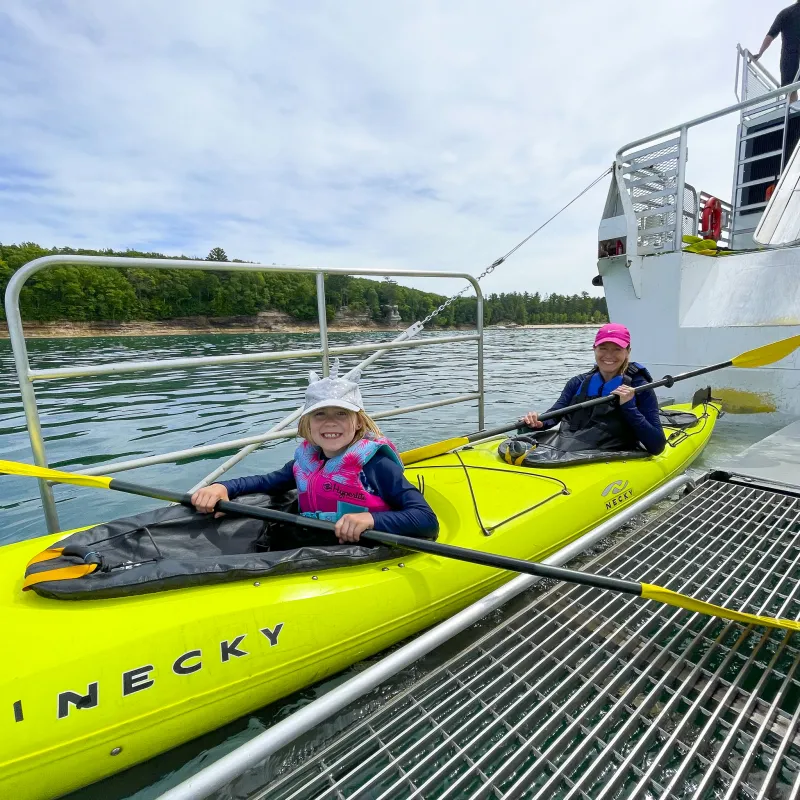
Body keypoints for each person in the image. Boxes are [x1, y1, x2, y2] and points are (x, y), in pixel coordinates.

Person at [191, 360, 439, 545]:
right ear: (307, 424)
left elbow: (426, 520)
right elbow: (268, 482)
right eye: (320, 414)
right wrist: (222, 487)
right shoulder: (307, 462)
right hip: (313, 541)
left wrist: (372, 521)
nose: (330, 423)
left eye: (341, 414)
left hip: (359, 549)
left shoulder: (378, 467)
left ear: (359, 423)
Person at [522, 323, 666, 455]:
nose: (609, 355)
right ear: (594, 349)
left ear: (628, 351)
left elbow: (657, 446)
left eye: (617, 349)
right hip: (573, 451)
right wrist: (538, 422)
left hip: (614, 455)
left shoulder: (641, 387)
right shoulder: (577, 383)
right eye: (603, 348)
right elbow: (553, 416)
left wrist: (629, 406)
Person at [754, 1, 800, 104]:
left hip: (789, 59)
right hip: (790, 59)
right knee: (791, 89)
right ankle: (793, 112)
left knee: (791, 89)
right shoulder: (786, 13)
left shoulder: (786, 13)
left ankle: (792, 112)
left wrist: (760, 52)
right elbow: (771, 35)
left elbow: (771, 34)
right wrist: (761, 52)